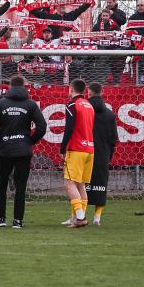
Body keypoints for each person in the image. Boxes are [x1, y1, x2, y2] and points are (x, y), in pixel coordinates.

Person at [0, 75, 47, 229]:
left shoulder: (0, 104)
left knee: (1, 184)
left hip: (5, 150)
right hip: (23, 151)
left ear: (10, 86)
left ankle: (1, 219)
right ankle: (18, 221)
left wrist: (1, 143)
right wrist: (29, 142)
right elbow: (42, 127)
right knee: (21, 186)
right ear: (25, 86)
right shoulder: (31, 104)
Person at [60, 78, 95, 228]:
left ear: (71, 89)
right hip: (90, 149)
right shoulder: (89, 105)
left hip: (76, 149)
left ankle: (80, 217)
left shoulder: (72, 104)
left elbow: (69, 128)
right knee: (80, 184)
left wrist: (62, 149)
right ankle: (78, 216)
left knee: (69, 183)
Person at [84, 82, 118, 227]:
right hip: (103, 152)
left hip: (84, 150)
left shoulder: (84, 110)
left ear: (89, 93)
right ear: (102, 93)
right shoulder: (109, 114)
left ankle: (78, 215)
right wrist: (109, 153)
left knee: (80, 184)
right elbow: (113, 137)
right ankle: (97, 218)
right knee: (101, 184)